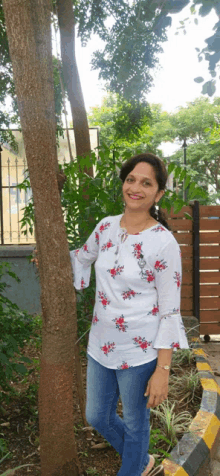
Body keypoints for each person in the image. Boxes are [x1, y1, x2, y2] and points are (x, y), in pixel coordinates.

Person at [70, 152, 189, 476]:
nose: (135, 188)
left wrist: (163, 369)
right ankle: (145, 462)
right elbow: (82, 257)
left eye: (146, 183)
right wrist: (51, 261)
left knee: (137, 425)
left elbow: (170, 311)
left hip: (140, 352)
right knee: (97, 416)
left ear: (158, 193)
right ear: (123, 184)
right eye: (131, 180)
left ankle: (133, 469)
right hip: (100, 345)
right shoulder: (105, 228)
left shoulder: (164, 243)